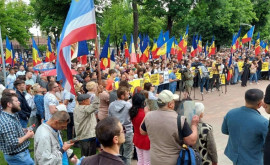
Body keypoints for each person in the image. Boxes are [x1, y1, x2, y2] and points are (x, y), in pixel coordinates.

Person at [140, 90, 199, 165]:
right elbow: (191, 141)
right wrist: (194, 125)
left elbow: (142, 131)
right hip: (173, 161)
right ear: (170, 104)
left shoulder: (149, 116)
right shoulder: (179, 120)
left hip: (155, 160)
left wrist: (146, 115)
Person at [222, 89, 268, 165]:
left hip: (236, 157)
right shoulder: (263, 122)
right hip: (253, 160)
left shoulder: (231, 113)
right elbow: (267, 144)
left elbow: (224, 130)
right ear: (260, 104)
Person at [0, 93, 35, 164]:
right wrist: (27, 135)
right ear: (9, 104)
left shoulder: (11, 115)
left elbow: (12, 130)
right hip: (18, 156)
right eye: (16, 101)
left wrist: (23, 130)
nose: (19, 102)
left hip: (20, 155)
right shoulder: (7, 122)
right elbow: (13, 143)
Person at [108, 86, 133, 165]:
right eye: (127, 94)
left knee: (118, 153)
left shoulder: (111, 105)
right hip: (127, 131)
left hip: (116, 131)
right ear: (122, 96)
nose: (128, 95)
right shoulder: (128, 105)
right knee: (127, 155)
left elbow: (109, 118)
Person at [129, 93, 150, 165]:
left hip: (137, 138)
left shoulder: (132, 111)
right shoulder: (144, 114)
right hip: (146, 140)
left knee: (140, 160)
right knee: (147, 162)